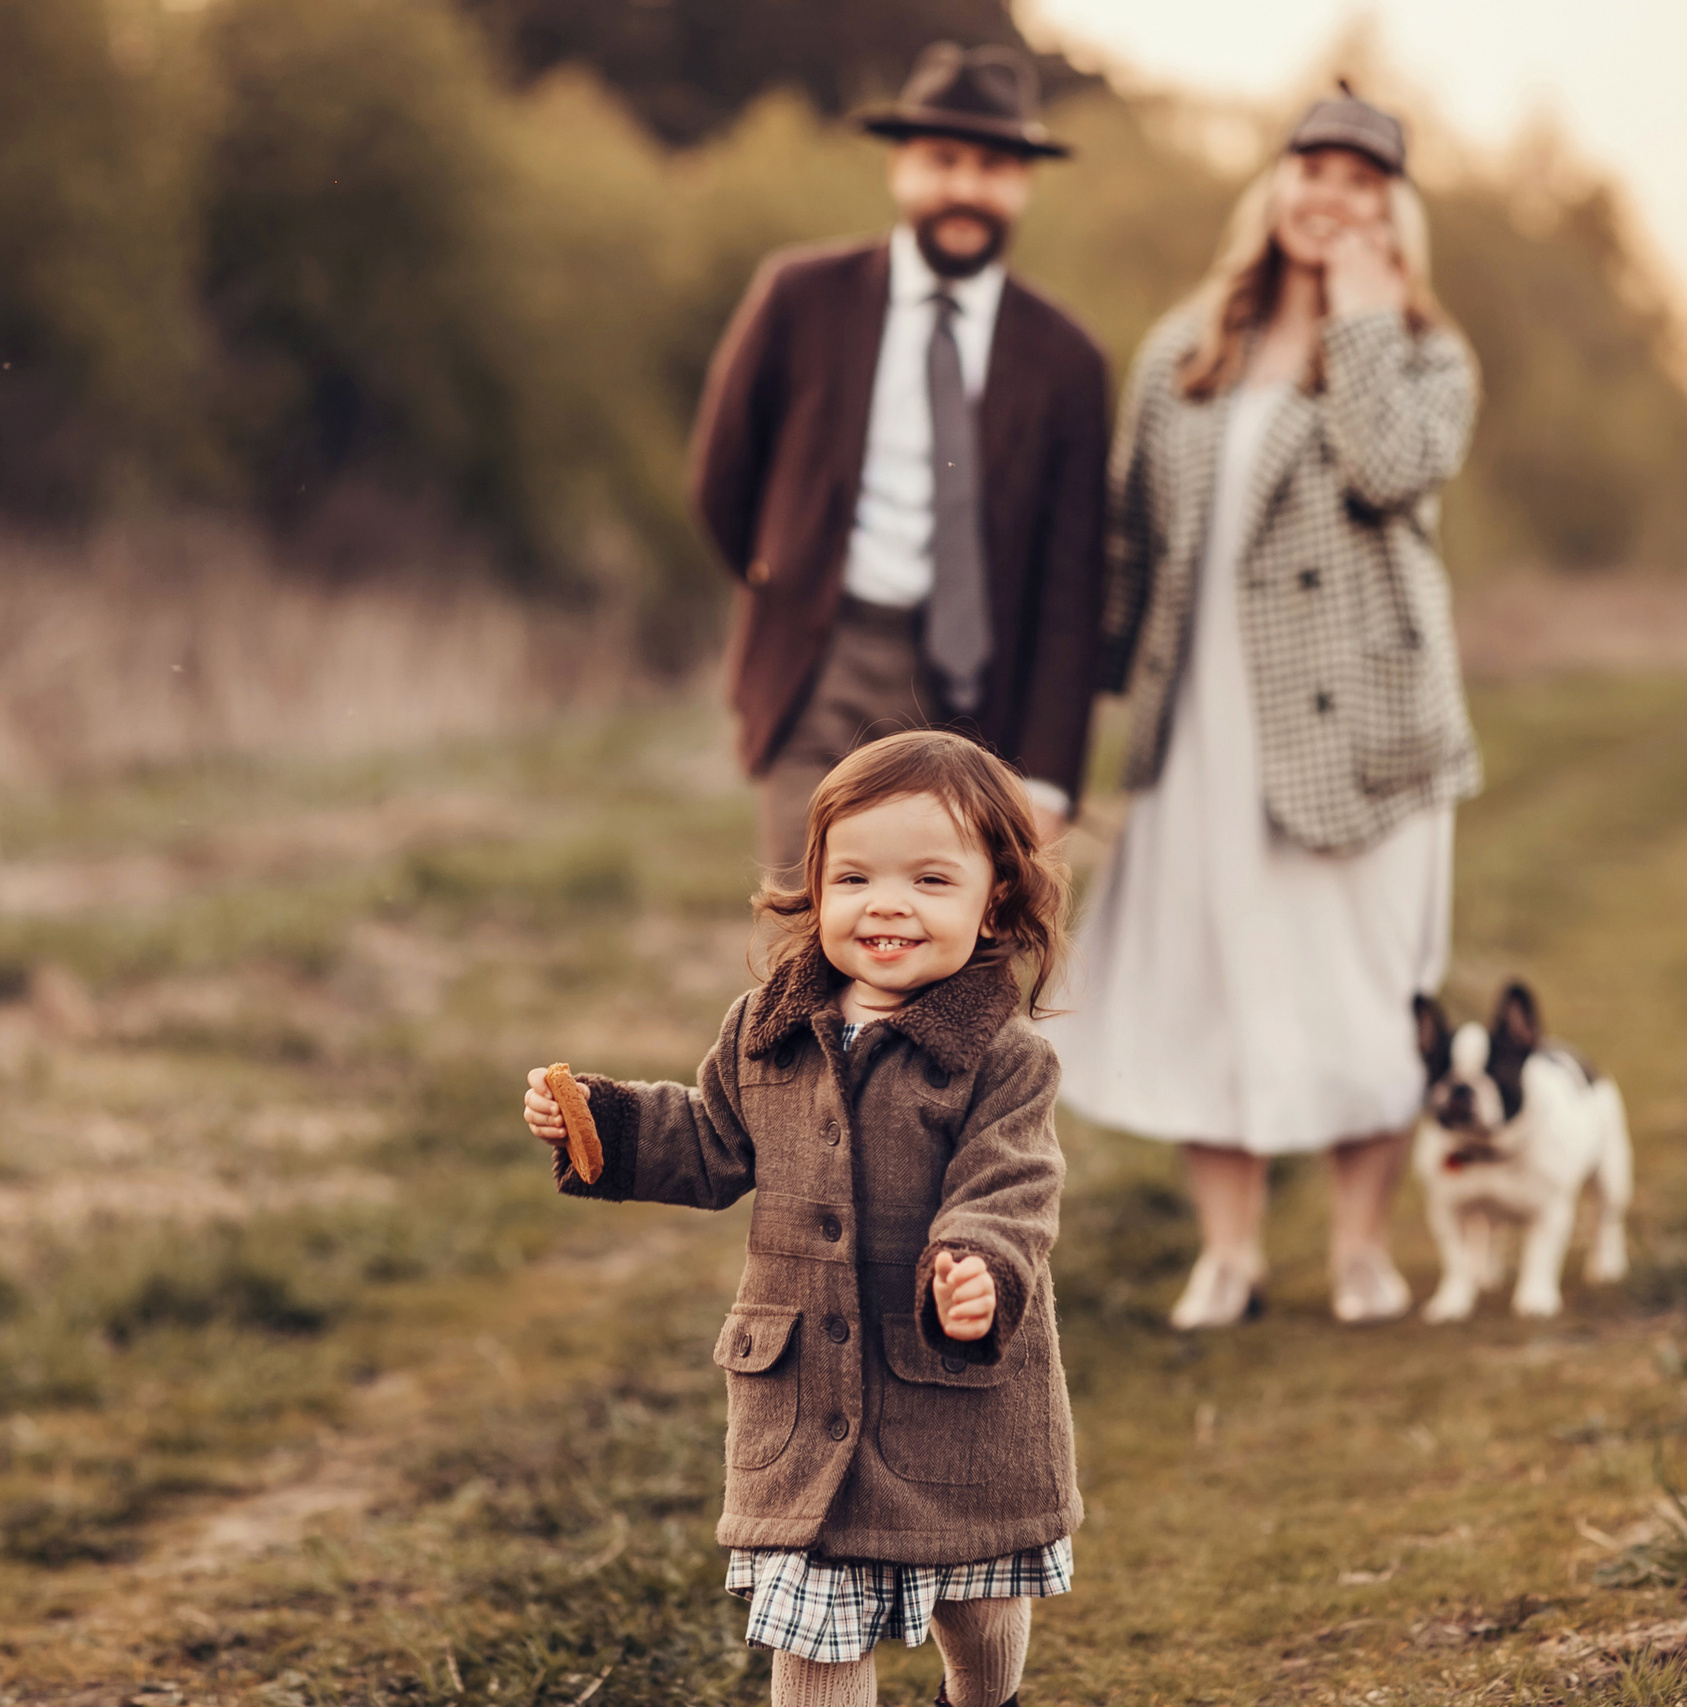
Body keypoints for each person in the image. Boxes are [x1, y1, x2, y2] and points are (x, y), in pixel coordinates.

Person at [1046, 85, 1482, 1331]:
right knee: (1211, 977)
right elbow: (1129, 545)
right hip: (1206, 727)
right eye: (1312, 173)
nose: (1330, 200)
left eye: (1361, 184)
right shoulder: (1187, 347)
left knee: (1362, 987)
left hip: (1361, 732)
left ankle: (1356, 1250)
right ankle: (1228, 1254)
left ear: (1391, 210)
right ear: (1277, 185)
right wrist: (1054, 738)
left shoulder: (1422, 351)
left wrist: (1355, 322)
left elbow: (1394, 469)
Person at [525, 729, 1080, 1707]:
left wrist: (978, 1268)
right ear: (816, 884)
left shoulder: (1003, 1054)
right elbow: (709, 1143)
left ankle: (981, 1702)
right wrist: (601, 1127)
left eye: (930, 881)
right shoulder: (765, 1029)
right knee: (815, 1625)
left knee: (980, 1598)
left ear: (995, 898)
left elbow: (1010, 1183)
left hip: (954, 1394)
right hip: (802, 1396)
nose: (887, 904)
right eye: (855, 876)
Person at [690, 42, 1111, 879]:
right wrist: (791, 577)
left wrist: (1054, 774)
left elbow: (1073, 590)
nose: (964, 186)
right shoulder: (799, 297)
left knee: (947, 960)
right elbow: (722, 481)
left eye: (992, 165)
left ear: (1022, 182)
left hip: (978, 693)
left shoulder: (1067, 358)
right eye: (942, 159)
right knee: (807, 933)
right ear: (900, 167)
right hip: (822, 659)